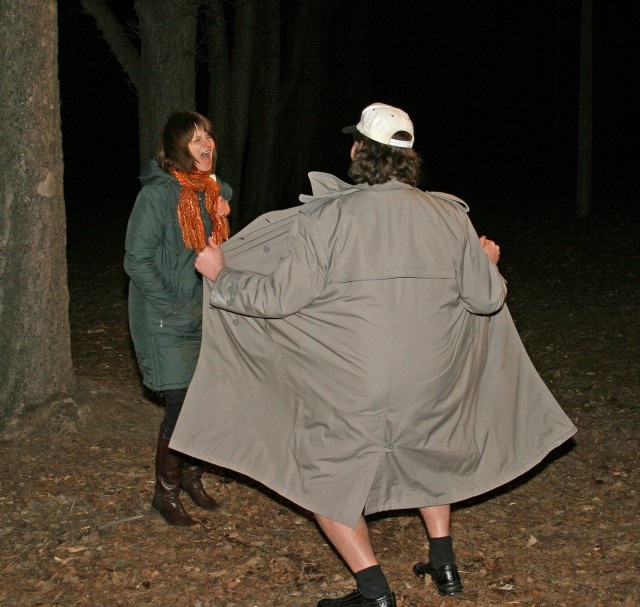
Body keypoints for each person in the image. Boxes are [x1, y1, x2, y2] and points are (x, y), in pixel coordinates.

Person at [170, 102, 577, 604]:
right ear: (408, 157)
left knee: (322, 473)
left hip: (351, 381)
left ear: (358, 150)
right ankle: (444, 565)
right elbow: (486, 299)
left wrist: (222, 276)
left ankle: (374, 591)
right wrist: (487, 261)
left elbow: (278, 299)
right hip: (430, 379)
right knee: (427, 450)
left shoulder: (327, 219)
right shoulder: (450, 217)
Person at [124, 111, 232, 528]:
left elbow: (211, 251)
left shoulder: (210, 192)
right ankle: (165, 493)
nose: (206, 145)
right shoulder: (157, 195)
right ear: (176, 148)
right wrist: (175, 306)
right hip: (164, 318)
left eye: (208, 136)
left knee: (205, 400)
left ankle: (191, 477)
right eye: (195, 139)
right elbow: (137, 260)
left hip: (202, 313)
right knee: (183, 405)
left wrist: (221, 211)